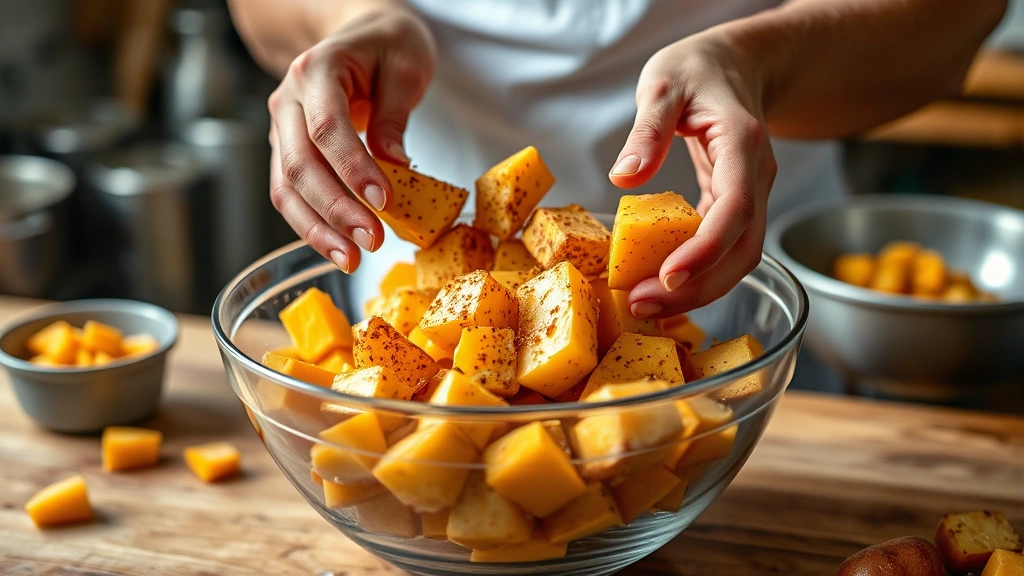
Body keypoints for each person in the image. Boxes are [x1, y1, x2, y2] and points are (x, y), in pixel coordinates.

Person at [228, 0, 1005, 320]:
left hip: (744, 301)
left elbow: (958, 21)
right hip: (425, 314)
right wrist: (353, 17)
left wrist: (757, 63)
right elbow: (259, 14)